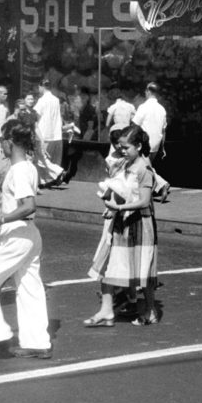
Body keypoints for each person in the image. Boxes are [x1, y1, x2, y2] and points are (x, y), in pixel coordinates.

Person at [0, 119, 52, 360]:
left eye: (1, 141)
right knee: (30, 288)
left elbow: (28, 205)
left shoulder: (19, 170)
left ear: (9, 142)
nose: (0, 147)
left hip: (17, 236)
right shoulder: (27, 167)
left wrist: (0, 219)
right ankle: (38, 343)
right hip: (28, 235)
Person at [85, 124, 160, 327]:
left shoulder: (144, 168)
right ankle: (107, 310)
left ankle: (150, 310)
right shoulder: (127, 163)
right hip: (122, 220)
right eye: (121, 148)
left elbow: (144, 201)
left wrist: (120, 207)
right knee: (109, 263)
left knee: (141, 268)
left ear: (138, 145)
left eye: (126, 148)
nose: (123, 151)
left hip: (139, 223)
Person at [132, 82, 167, 168]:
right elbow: (163, 131)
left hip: (143, 146)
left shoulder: (143, 107)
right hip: (156, 146)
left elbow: (134, 126)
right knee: (148, 168)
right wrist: (162, 148)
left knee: (140, 170)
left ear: (148, 91)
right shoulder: (162, 109)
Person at [34, 79, 63, 168]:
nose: (38, 89)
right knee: (55, 165)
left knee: (43, 164)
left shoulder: (42, 100)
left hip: (44, 137)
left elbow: (35, 117)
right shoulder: (56, 100)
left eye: (39, 87)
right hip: (56, 137)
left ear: (42, 87)